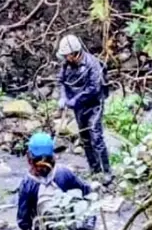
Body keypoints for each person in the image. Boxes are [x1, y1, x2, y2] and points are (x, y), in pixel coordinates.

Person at [56, 35, 110, 182]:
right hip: (79, 107)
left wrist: (74, 100)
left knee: (96, 136)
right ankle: (94, 169)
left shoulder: (92, 65)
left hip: (94, 105)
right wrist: (63, 97)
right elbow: (61, 81)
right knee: (85, 138)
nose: (65, 58)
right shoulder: (66, 65)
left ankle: (107, 172)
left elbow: (94, 88)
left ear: (75, 53)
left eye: (67, 55)